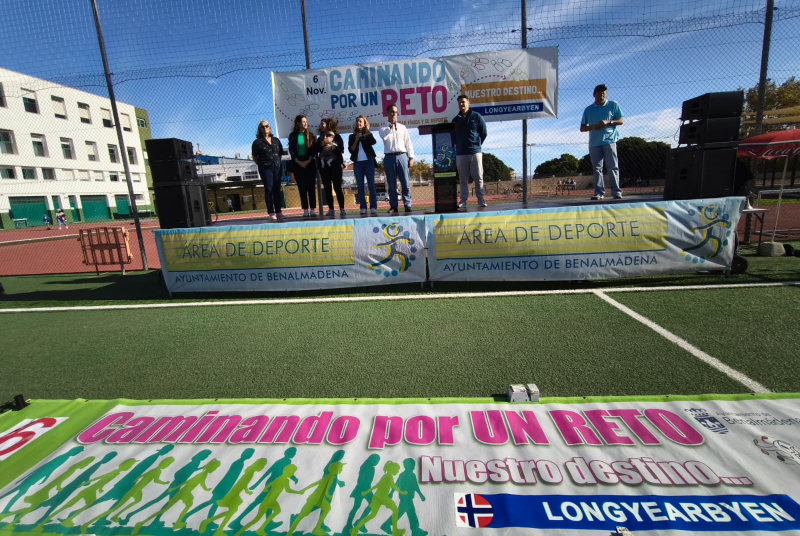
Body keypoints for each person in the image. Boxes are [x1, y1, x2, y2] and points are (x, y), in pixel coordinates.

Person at [580, 84, 624, 200]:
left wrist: (608, 122)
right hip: (594, 143)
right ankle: (599, 192)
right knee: (597, 168)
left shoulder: (613, 105)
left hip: (610, 140)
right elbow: (582, 128)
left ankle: (616, 192)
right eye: (599, 91)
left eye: (604, 91)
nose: (602, 93)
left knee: (613, 167)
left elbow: (621, 120)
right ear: (594, 94)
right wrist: (594, 126)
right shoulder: (588, 110)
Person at [452, 95, 488, 210]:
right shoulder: (455, 120)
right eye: (459, 103)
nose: (461, 104)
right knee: (463, 180)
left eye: (463, 102)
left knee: (478, 178)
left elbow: (484, 133)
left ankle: (481, 200)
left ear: (468, 103)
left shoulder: (477, 117)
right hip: (461, 154)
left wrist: (476, 145)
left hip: (475, 152)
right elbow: (453, 137)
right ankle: (463, 201)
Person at [379, 104, 415, 214]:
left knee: (405, 182)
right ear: (387, 113)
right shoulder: (383, 128)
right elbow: (384, 137)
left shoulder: (402, 127)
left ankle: (407, 205)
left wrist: (411, 157)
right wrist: (391, 128)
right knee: (391, 184)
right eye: (392, 112)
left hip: (402, 156)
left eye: (396, 112)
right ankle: (394, 206)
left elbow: (408, 143)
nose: (394, 114)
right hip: (389, 157)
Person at [252, 120, 285, 221]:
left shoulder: (276, 140)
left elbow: (280, 153)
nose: (265, 128)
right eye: (262, 127)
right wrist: (262, 165)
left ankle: (279, 211)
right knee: (269, 189)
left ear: (270, 128)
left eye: (267, 126)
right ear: (260, 129)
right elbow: (254, 157)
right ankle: (271, 212)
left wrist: (277, 163)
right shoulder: (257, 142)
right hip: (265, 168)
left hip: (277, 167)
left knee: (277, 190)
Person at [288, 114, 318, 217]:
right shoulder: (293, 136)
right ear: (298, 123)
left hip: (309, 164)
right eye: (303, 122)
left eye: (306, 121)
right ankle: (305, 209)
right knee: (302, 188)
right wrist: (298, 161)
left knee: (311, 187)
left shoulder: (310, 135)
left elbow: (314, 150)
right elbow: (291, 151)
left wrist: (308, 160)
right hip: (298, 165)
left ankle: (313, 209)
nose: (305, 123)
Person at [316, 118, 346, 217]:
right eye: (320, 123)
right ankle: (331, 209)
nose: (321, 125)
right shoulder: (320, 138)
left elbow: (341, 149)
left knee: (337, 187)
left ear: (329, 125)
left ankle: (342, 209)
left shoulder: (336, 137)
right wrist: (322, 144)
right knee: (327, 188)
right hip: (324, 166)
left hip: (336, 165)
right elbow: (315, 150)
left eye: (323, 123)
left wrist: (332, 147)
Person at [349, 115, 378, 215]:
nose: (358, 123)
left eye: (360, 121)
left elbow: (374, 142)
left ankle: (373, 207)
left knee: (371, 185)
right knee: (360, 186)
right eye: (357, 121)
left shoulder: (367, 135)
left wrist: (367, 133)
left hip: (369, 162)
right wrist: (357, 139)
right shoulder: (352, 136)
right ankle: (363, 207)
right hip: (358, 163)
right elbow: (351, 149)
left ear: (364, 123)